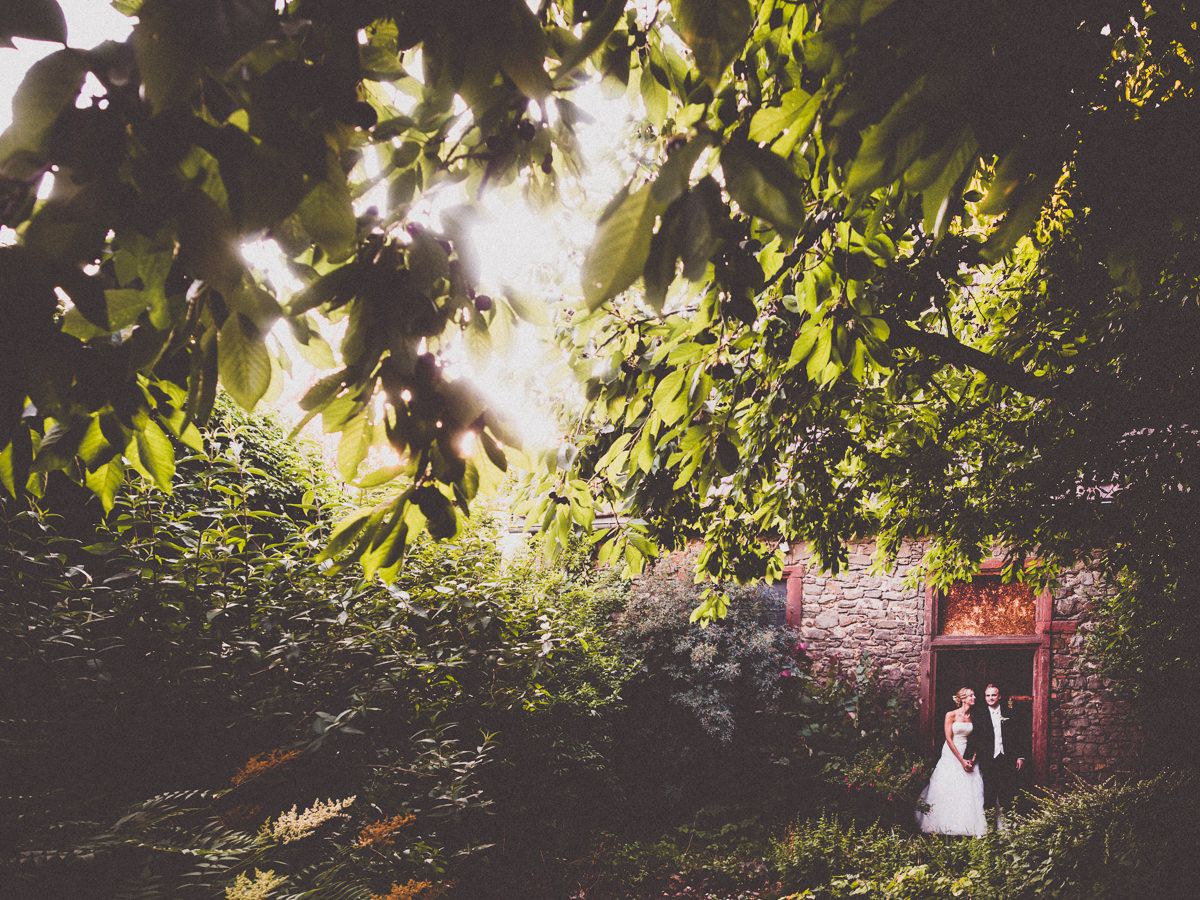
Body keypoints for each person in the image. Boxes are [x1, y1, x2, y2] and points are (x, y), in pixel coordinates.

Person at [915, 686, 987, 837]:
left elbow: (978, 739)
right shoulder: (951, 715)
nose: (974, 697)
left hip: (968, 750)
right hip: (952, 751)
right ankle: (944, 823)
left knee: (970, 787)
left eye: (974, 695)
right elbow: (948, 738)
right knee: (948, 786)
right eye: (971, 696)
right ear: (962, 699)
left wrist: (972, 760)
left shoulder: (974, 716)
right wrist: (961, 761)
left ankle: (969, 824)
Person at [969, 683, 1028, 830]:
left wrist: (1021, 756)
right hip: (988, 758)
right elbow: (974, 737)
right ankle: (990, 828)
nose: (990, 698)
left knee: (1007, 793)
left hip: (1007, 757)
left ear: (999, 696)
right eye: (988, 695)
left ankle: (1009, 828)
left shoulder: (1010, 711)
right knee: (989, 794)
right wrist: (968, 757)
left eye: (993, 695)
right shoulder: (979, 713)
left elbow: (1019, 735)